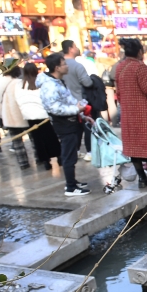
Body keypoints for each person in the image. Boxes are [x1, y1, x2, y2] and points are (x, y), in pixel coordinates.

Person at [37, 52, 95, 196]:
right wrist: (76, 109)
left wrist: (82, 114)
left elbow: (68, 101)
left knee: (72, 153)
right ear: (57, 67)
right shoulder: (50, 85)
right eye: (64, 64)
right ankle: (70, 187)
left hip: (71, 121)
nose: (66, 66)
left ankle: (73, 182)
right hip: (63, 124)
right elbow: (54, 107)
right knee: (69, 154)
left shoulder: (59, 81)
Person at [115, 38, 147, 189]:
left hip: (128, 113)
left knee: (134, 147)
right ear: (139, 52)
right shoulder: (140, 67)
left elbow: (118, 91)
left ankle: (142, 179)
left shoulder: (121, 67)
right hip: (144, 113)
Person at [15, 62, 60, 170]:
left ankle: (45, 161)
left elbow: (18, 99)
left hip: (29, 115)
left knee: (38, 139)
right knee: (51, 137)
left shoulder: (19, 85)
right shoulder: (40, 82)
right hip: (42, 114)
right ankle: (58, 156)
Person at [61, 40, 94, 161]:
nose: (77, 48)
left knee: (74, 129)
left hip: (66, 104)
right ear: (70, 48)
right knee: (86, 126)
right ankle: (89, 151)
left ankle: (77, 150)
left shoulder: (59, 66)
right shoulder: (77, 66)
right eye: (75, 46)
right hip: (80, 101)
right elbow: (87, 82)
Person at [0, 60, 30, 169]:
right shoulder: (21, 81)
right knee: (32, 137)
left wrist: (0, 113)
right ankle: (40, 159)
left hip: (10, 115)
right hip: (24, 113)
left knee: (17, 141)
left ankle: (23, 163)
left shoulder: (1, 82)